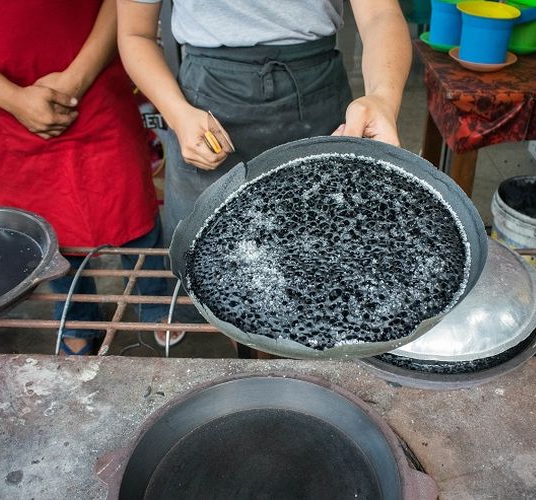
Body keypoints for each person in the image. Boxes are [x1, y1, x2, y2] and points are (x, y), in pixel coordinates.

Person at [117, 0, 411, 345]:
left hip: (316, 92)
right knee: (210, 271)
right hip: (207, 102)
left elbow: (380, 14)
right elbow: (135, 33)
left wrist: (382, 99)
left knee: (325, 267)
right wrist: (176, 112)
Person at [0, 0, 176, 355]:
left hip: (93, 81)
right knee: (49, 231)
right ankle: (77, 316)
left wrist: (75, 80)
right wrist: (12, 98)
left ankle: (156, 304)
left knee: (133, 213)